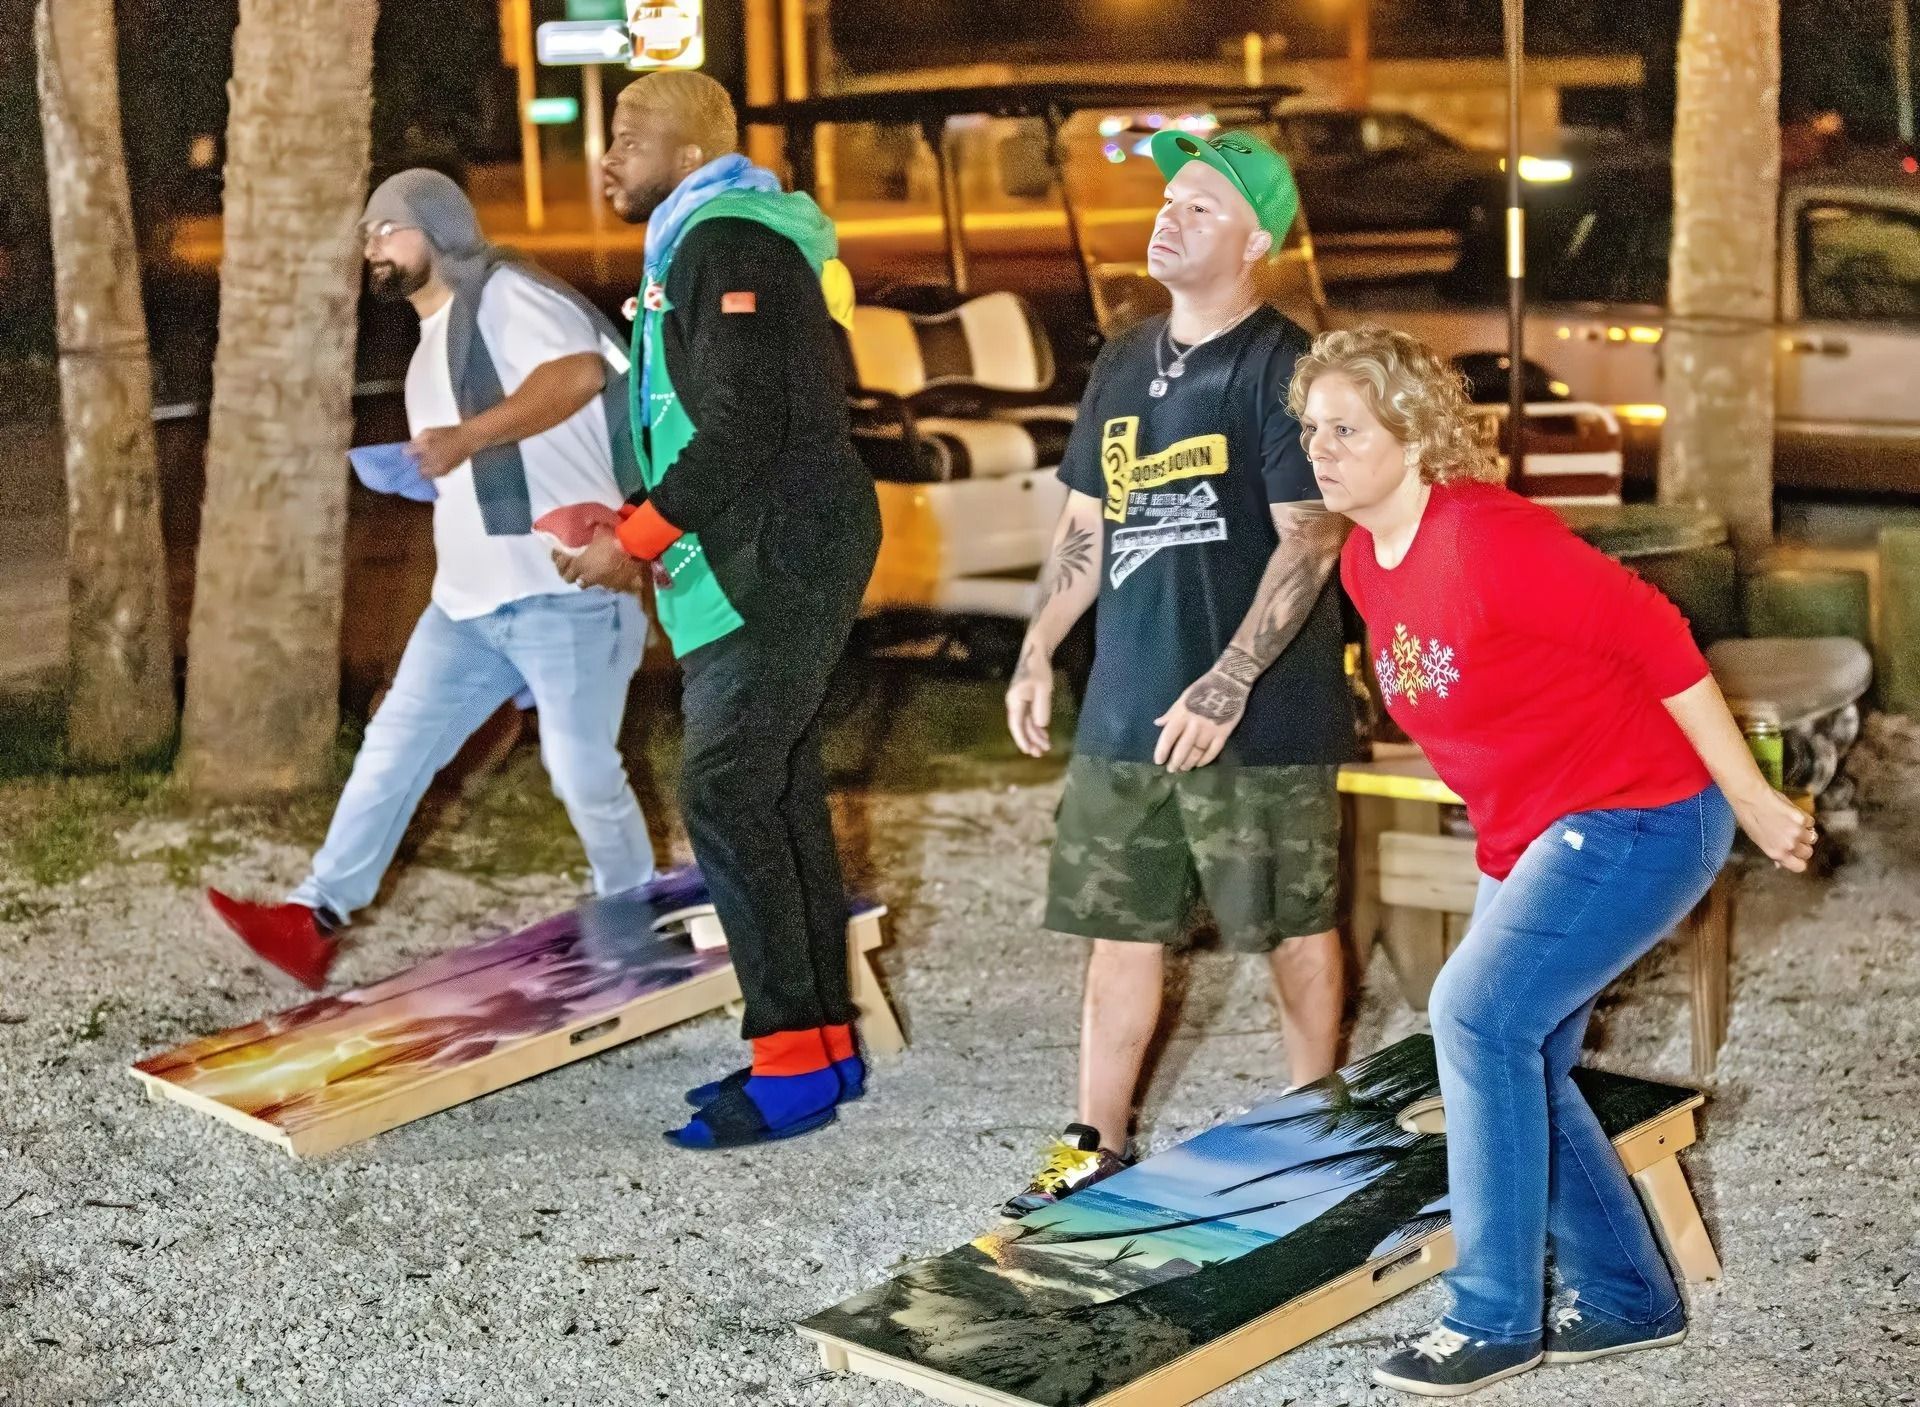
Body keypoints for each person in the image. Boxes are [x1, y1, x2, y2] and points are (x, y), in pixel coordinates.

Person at [1292, 327, 1816, 1397]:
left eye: (1346, 429)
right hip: (1538, 831)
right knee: (1520, 1054)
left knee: (1474, 1017)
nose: (1320, 449)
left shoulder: (1489, 538)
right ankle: (1627, 1298)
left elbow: (1660, 638)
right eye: (1311, 430)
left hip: (1643, 814)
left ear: (1414, 436)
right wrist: (1501, 857)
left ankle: (1490, 1317)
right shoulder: (1362, 563)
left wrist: (1755, 800)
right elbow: (1495, 720)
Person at [1000, 129, 1354, 1217]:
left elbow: (1312, 540)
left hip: (1261, 713)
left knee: (1290, 923)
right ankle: (1093, 1141)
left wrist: (1230, 679)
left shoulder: (1287, 366)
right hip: (1127, 706)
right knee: (1121, 930)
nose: (1171, 215)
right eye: (1169, 200)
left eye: (1203, 207)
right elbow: (1086, 523)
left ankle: (1315, 1125)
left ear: (1255, 242)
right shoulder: (1122, 360)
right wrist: (1038, 648)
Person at [207, 170, 657, 990]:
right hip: (468, 604)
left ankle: (637, 921)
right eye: (366, 233)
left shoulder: (506, 293)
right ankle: (312, 920)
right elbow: (486, 459)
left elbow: (577, 376)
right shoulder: (429, 349)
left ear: (440, 227)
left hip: (565, 592)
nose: (372, 245)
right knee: (391, 751)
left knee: (582, 769)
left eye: (388, 227)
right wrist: (434, 468)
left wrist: (466, 439)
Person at [558, 71, 881, 1149]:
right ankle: (821, 1049)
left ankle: (790, 1065)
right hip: (764, 539)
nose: (608, 155)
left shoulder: (726, 242)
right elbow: (705, 418)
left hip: (780, 547)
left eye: (629, 136)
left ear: (691, 155)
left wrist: (641, 536)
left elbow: (744, 423)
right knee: (775, 790)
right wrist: (632, 514)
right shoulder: (703, 241)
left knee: (727, 787)